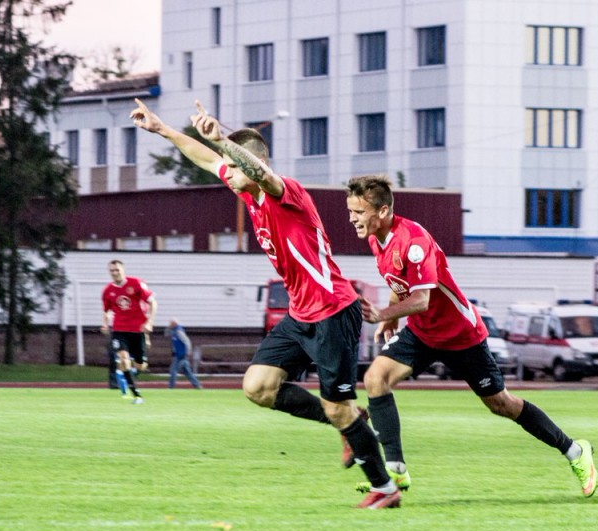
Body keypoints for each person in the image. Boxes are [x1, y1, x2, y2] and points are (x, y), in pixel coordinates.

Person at [131, 98, 400, 509]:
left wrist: (222, 140)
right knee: (257, 386)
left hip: (333, 312)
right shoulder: (247, 191)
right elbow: (206, 159)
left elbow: (260, 173)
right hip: (300, 314)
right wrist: (163, 129)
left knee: (338, 408)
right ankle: (351, 421)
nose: (228, 173)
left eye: (234, 165)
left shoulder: (285, 192)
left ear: (253, 164)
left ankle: (384, 488)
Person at [344, 175, 598, 498]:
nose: (352, 219)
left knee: (502, 404)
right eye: (350, 211)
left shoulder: (414, 241)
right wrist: (393, 314)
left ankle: (576, 451)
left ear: (381, 211)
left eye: (359, 212)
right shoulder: (376, 239)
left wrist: (383, 313)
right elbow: (400, 282)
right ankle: (395, 471)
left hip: (460, 334)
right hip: (423, 332)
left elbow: (421, 299)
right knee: (375, 378)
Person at [101, 260, 157, 405]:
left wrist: (149, 322)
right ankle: (136, 395)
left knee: (140, 365)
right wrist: (105, 323)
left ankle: (127, 376)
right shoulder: (107, 291)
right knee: (124, 359)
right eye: (112, 271)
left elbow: (153, 302)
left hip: (138, 330)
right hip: (119, 330)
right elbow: (107, 311)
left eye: (117, 270)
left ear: (123, 270)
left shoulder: (136, 283)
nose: (114, 273)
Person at [167, 318, 202, 389]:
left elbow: (187, 342)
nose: (169, 325)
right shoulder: (174, 332)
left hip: (180, 355)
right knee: (187, 371)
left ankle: (171, 386)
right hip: (179, 354)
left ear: (174, 324)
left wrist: (188, 352)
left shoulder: (179, 332)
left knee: (173, 370)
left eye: (170, 323)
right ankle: (197, 385)